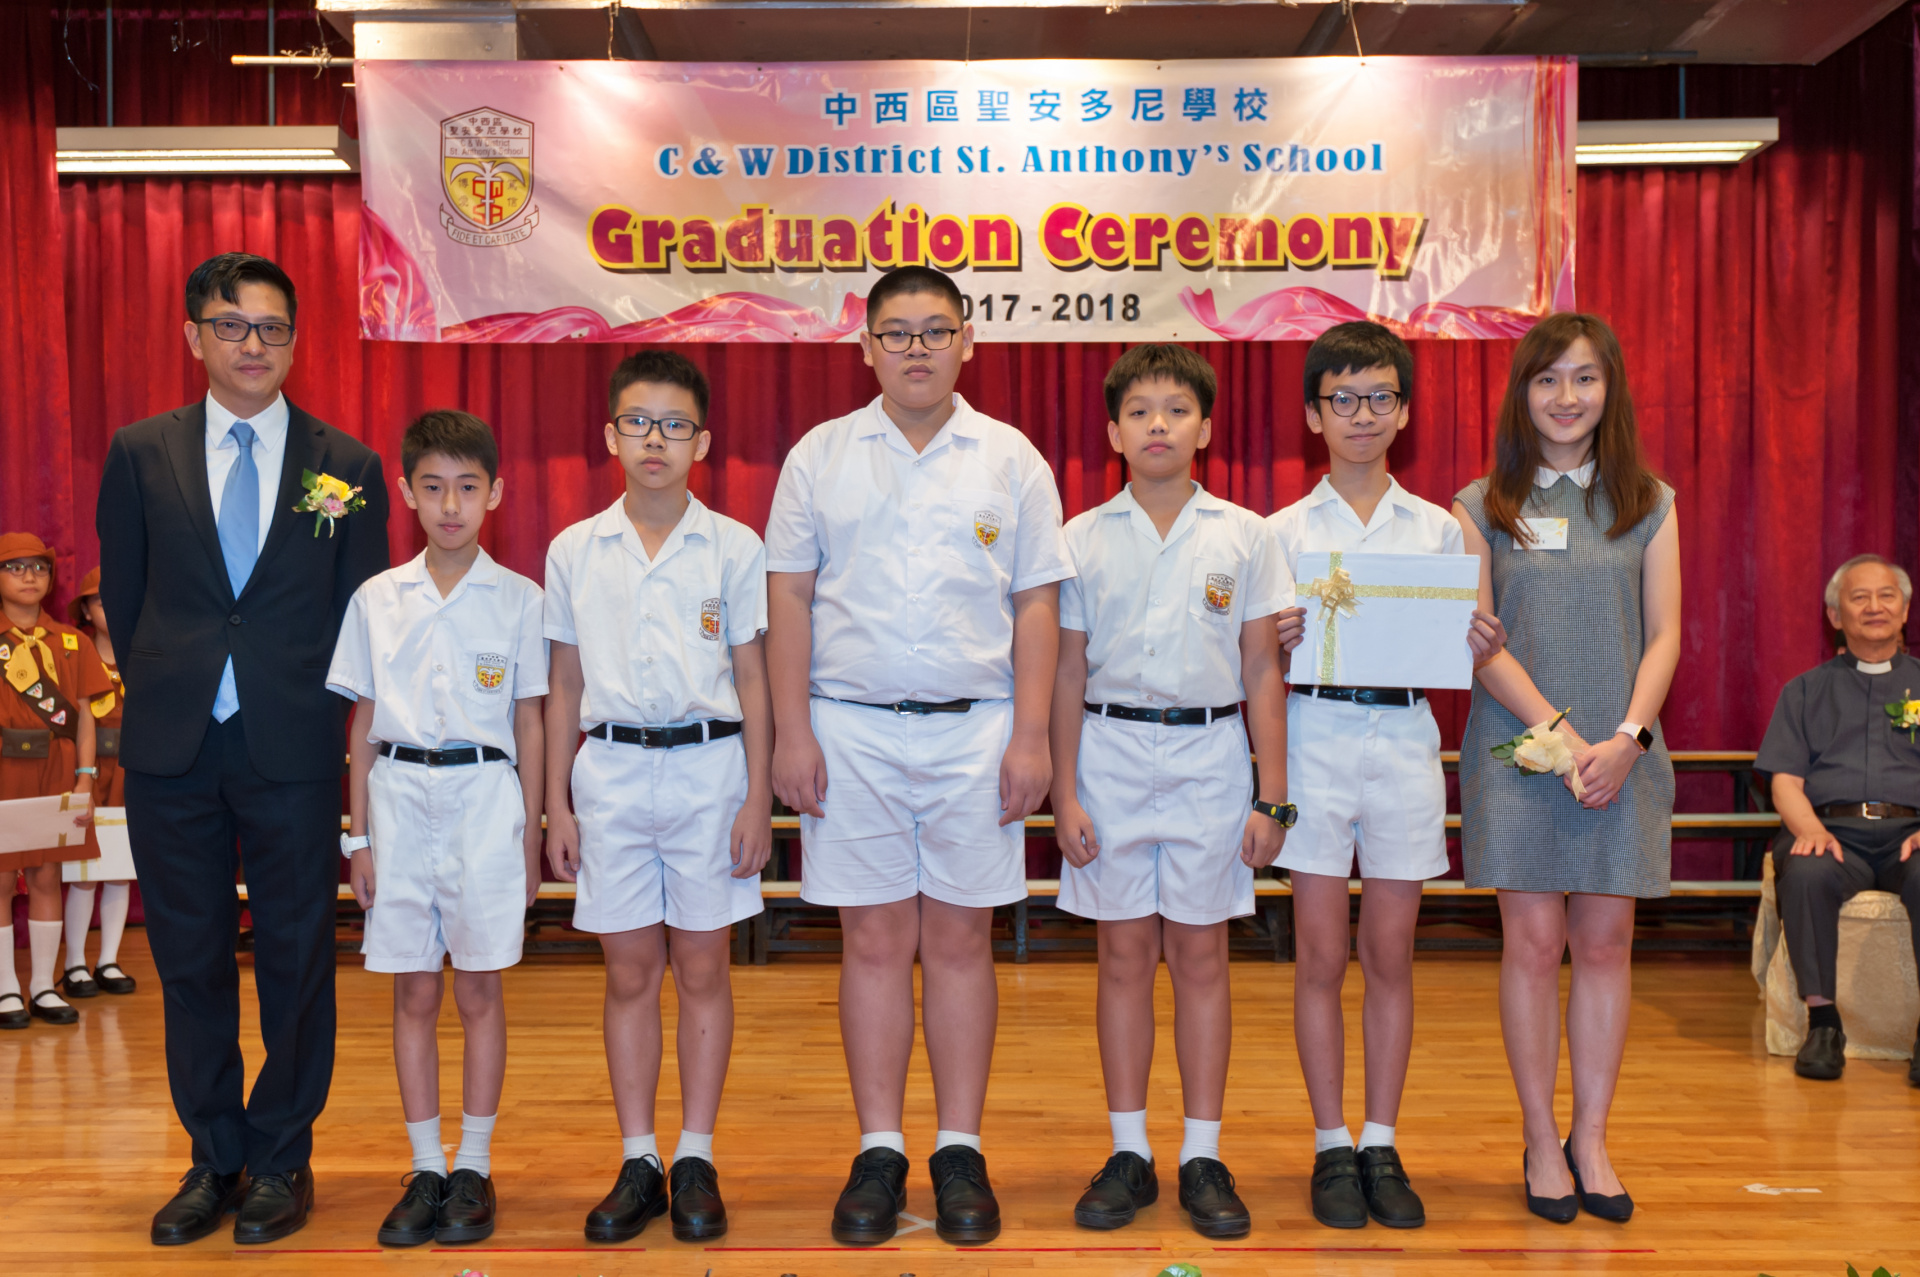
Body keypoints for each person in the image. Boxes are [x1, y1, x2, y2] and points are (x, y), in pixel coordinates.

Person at [765, 265, 1071, 1245]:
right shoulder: (820, 455)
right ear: (865, 347)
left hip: (978, 729)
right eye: (895, 332)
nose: (916, 349)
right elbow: (789, 597)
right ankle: (880, 1148)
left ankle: (960, 1148)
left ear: (968, 341)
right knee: (871, 941)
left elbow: (1036, 603)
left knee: (960, 942)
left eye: (935, 330)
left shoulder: (1011, 458)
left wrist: (1032, 734)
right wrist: (792, 731)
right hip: (849, 727)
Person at [96, 252, 390, 1245]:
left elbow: (359, 614)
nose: (252, 344)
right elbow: (126, 594)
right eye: (231, 325)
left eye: (271, 327)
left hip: (292, 744)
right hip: (173, 745)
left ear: (294, 341)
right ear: (194, 336)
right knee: (188, 958)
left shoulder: (346, 466)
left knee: (298, 958)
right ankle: (213, 1153)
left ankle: (280, 1156)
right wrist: (174, 679)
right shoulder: (141, 451)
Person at [1051, 344, 1290, 1239]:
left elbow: (1262, 668)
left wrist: (1273, 796)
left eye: (1177, 408)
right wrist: (1065, 793)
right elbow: (1066, 672)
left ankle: (1201, 1151)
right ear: (1113, 432)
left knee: (1200, 957)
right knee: (1121, 957)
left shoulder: (1246, 534)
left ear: (1207, 427)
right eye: (1140, 410)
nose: (1159, 423)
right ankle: (1128, 1150)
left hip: (1210, 757)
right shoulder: (1079, 537)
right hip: (1108, 754)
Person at [1452, 312, 1680, 1225]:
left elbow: (1664, 635)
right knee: (1533, 944)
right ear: (1522, 393)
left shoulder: (1650, 501)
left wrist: (1624, 739)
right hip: (1519, 754)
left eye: (1584, 377)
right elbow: (1480, 645)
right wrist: (1559, 734)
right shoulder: (1480, 505)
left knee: (1605, 944)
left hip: (1623, 757)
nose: (1566, 396)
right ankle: (1541, 1138)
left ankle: (1591, 1137)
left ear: (1609, 389)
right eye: (1547, 379)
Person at [1267, 321, 1496, 1229]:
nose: (1361, 414)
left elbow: (1457, 645)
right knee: (1320, 955)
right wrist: (1273, 639)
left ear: (1403, 411)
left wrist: (1477, 638)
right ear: (1313, 413)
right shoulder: (1281, 532)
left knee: (1390, 953)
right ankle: (1331, 1143)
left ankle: (1381, 1138)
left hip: (1403, 738)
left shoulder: (1439, 528)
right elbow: (1251, 663)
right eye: (1342, 398)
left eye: (1379, 397)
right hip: (1313, 737)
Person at [544, 350, 772, 1244]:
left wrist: (757, 797)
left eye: (675, 425)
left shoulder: (735, 546)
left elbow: (752, 677)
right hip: (609, 773)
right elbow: (563, 684)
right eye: (638, 422)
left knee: (705, 969)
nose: (655, 440)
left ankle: (696, 1154)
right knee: (630, 971)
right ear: (610, 434)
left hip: (710, 773)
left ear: (702, 443)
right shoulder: (575, 549)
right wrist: (558, 805)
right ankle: (638, 1157)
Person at [327, 410, 548, 1246]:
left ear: (495, 492)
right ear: (406, 492)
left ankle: (474, 1165)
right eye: (432, 487)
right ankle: (425, 1165)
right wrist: (358, 838)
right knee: (413, 989)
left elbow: (530, 722)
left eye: (466, 486)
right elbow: (360, 725)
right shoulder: (377, 599)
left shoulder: (520, 598)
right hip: (397, 796)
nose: (450, 505)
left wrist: (530, 832)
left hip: (486, 797)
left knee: (479, 988)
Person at [1754, 554, 1920, 1087]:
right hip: (1831, 832)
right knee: (1805, 871)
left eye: (1887, 595)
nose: (1875, 606)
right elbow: (1785, 780)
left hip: (1912, 835)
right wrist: (1809, 829)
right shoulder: (1803, 691)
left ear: (1905, 609)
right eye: (1859, 597)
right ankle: (1824, 1025)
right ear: (1834, 615)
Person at [0, 533, 110, 1028]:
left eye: (39, 567)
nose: (29, 576)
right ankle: (5, 988)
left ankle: (43, 986)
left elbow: (85, 717)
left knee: (48, 876)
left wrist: (86, 778)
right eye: (14, 567)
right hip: (5, 770)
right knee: (2, 880)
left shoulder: (73, 641)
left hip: (60, 774)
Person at [60, 566, 139, 1000]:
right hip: (89, 769)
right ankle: (74, 963)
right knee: (84, 871)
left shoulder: (142, 651)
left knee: (120, 868)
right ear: (86, 611)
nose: (112, 608)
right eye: (101, 601)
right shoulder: (75, 652)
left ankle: (108, 959)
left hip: (130, 772)